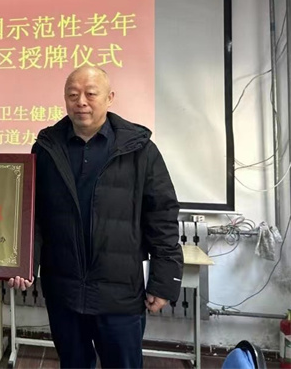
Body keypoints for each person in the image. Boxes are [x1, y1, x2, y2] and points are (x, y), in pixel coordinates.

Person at [16, 67, 183, 369]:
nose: (81, 101)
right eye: (72, 94)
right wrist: (25, 264)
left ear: (109, 97)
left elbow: (162, 216)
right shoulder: (47, 148)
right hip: (64, 290)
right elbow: (34, 216)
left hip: (119, 292)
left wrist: (163, 281)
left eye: (90, 94)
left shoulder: (140, 150)